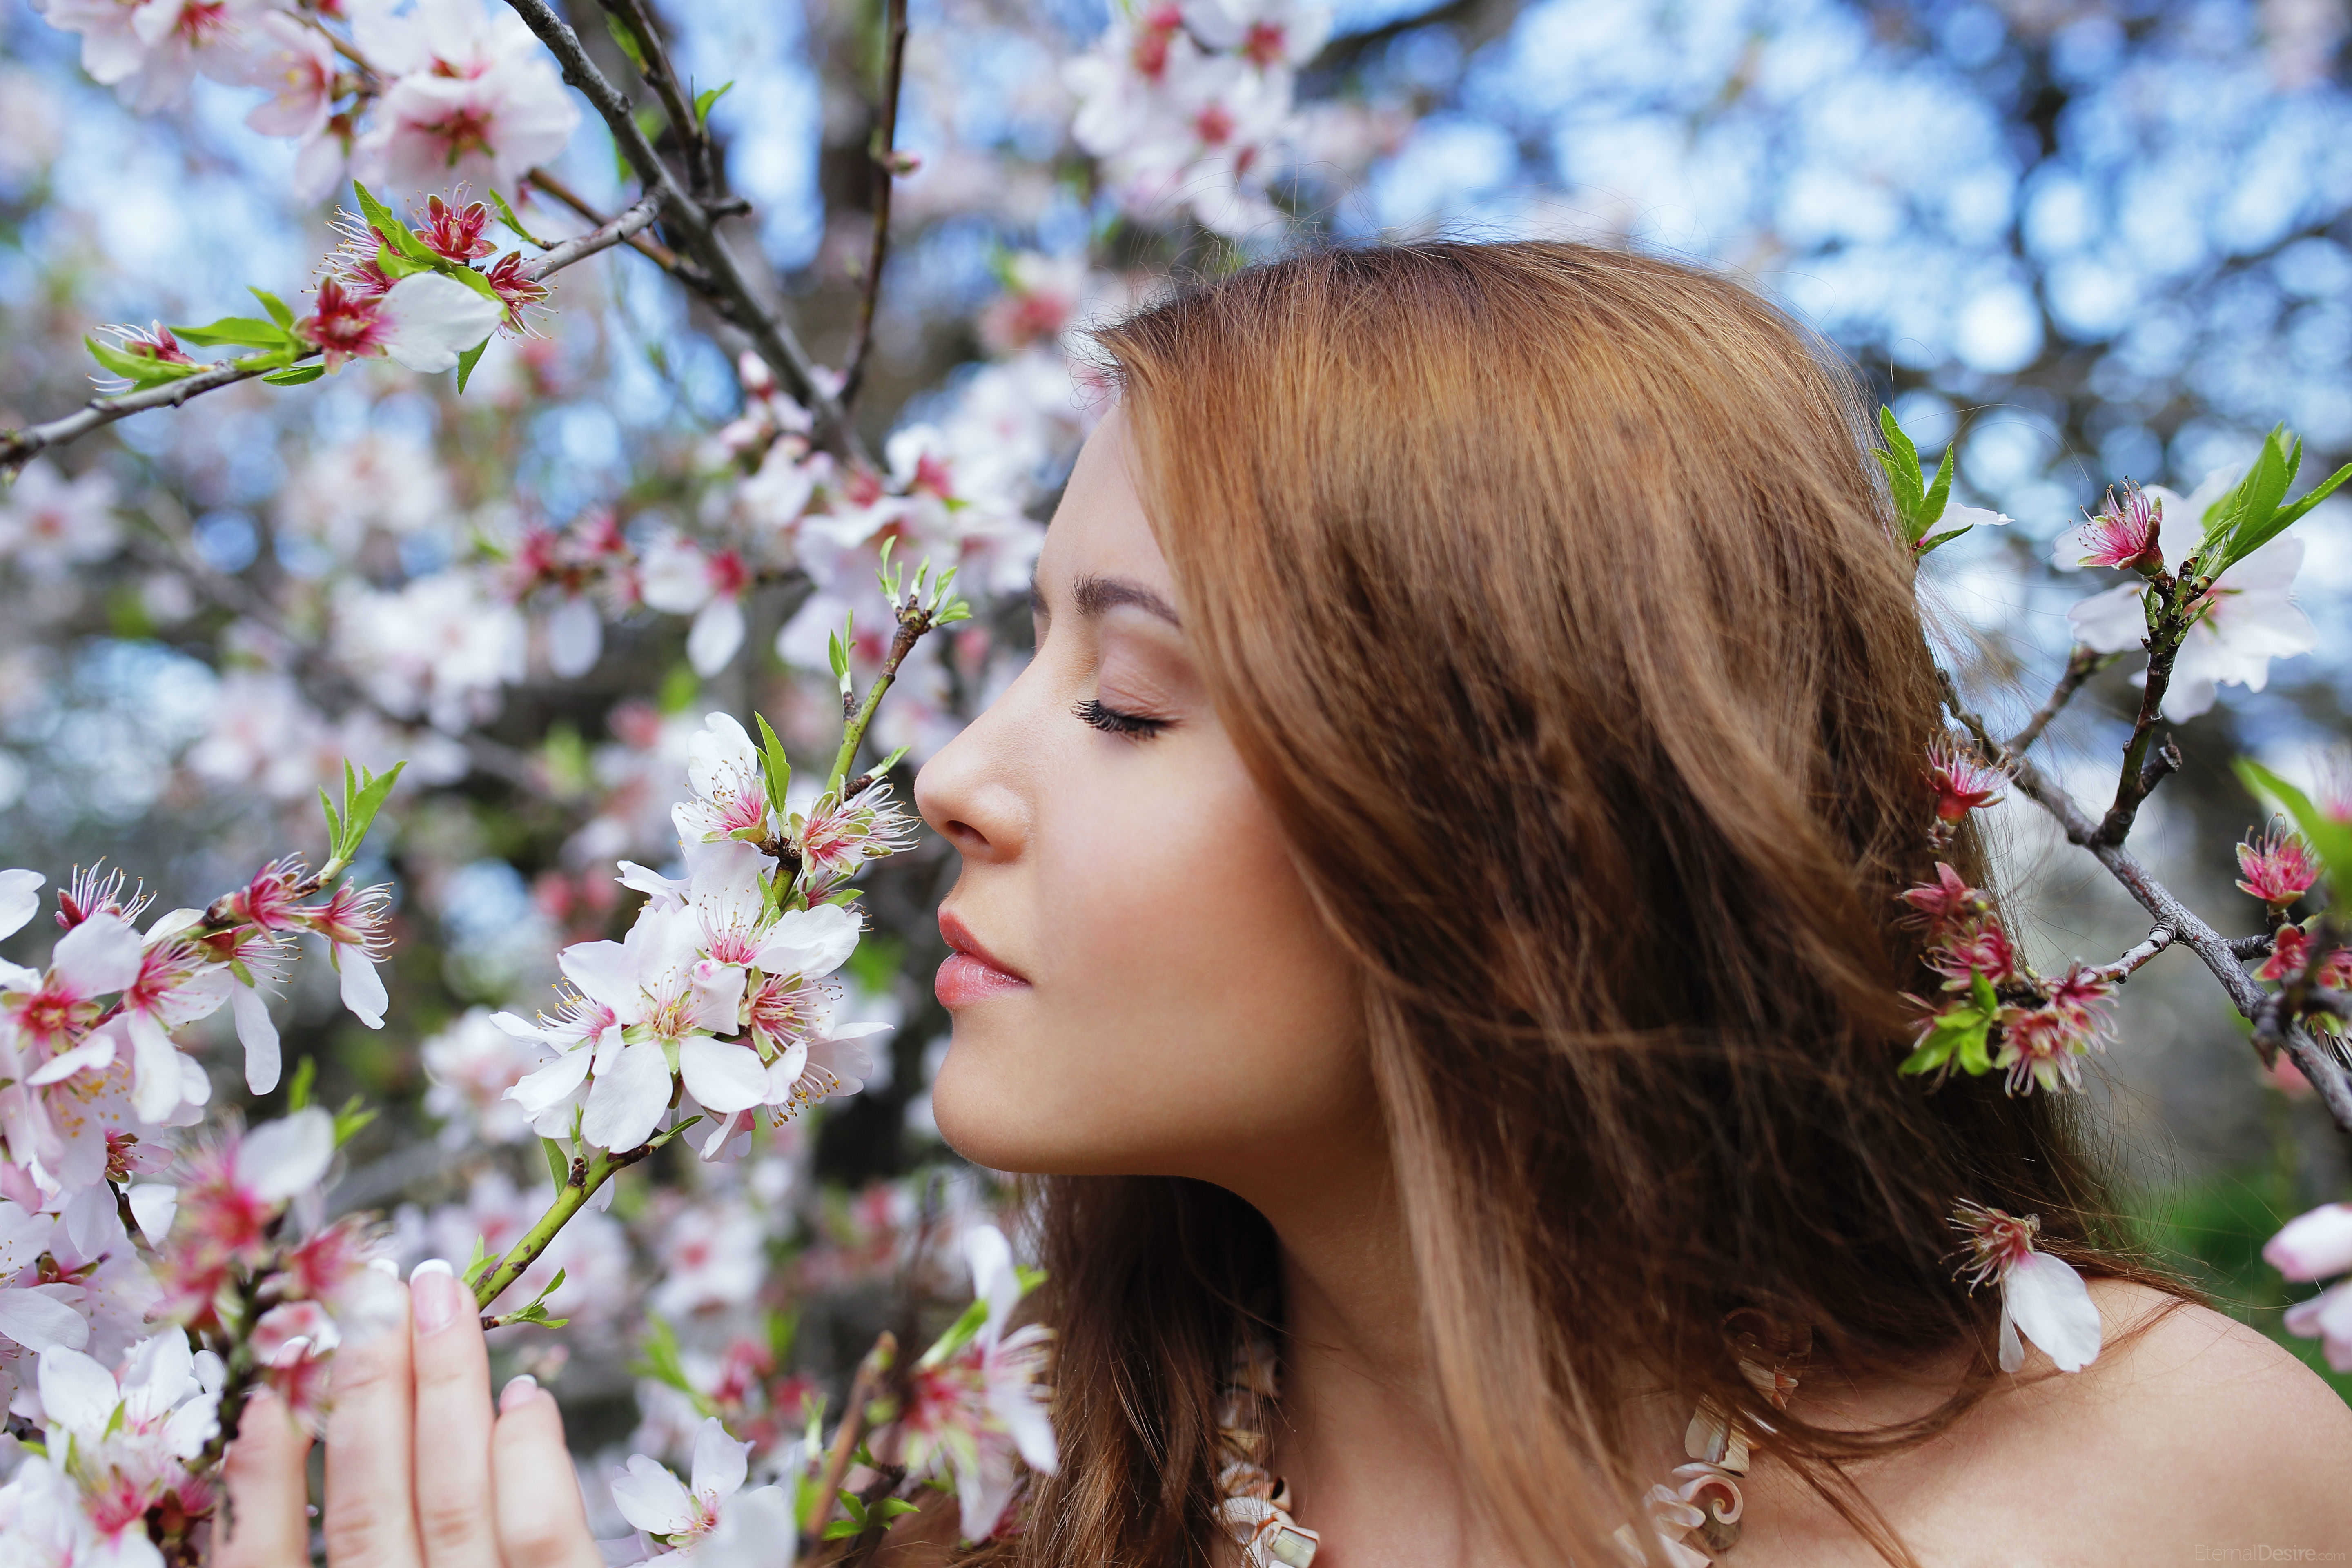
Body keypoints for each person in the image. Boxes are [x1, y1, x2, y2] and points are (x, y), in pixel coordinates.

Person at [215, 241, 2352, 1568]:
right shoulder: (950, 1529)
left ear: (1533, 827)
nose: (952, 775)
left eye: (1128, 700)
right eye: (1026, 651)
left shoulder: (2170, 1489)